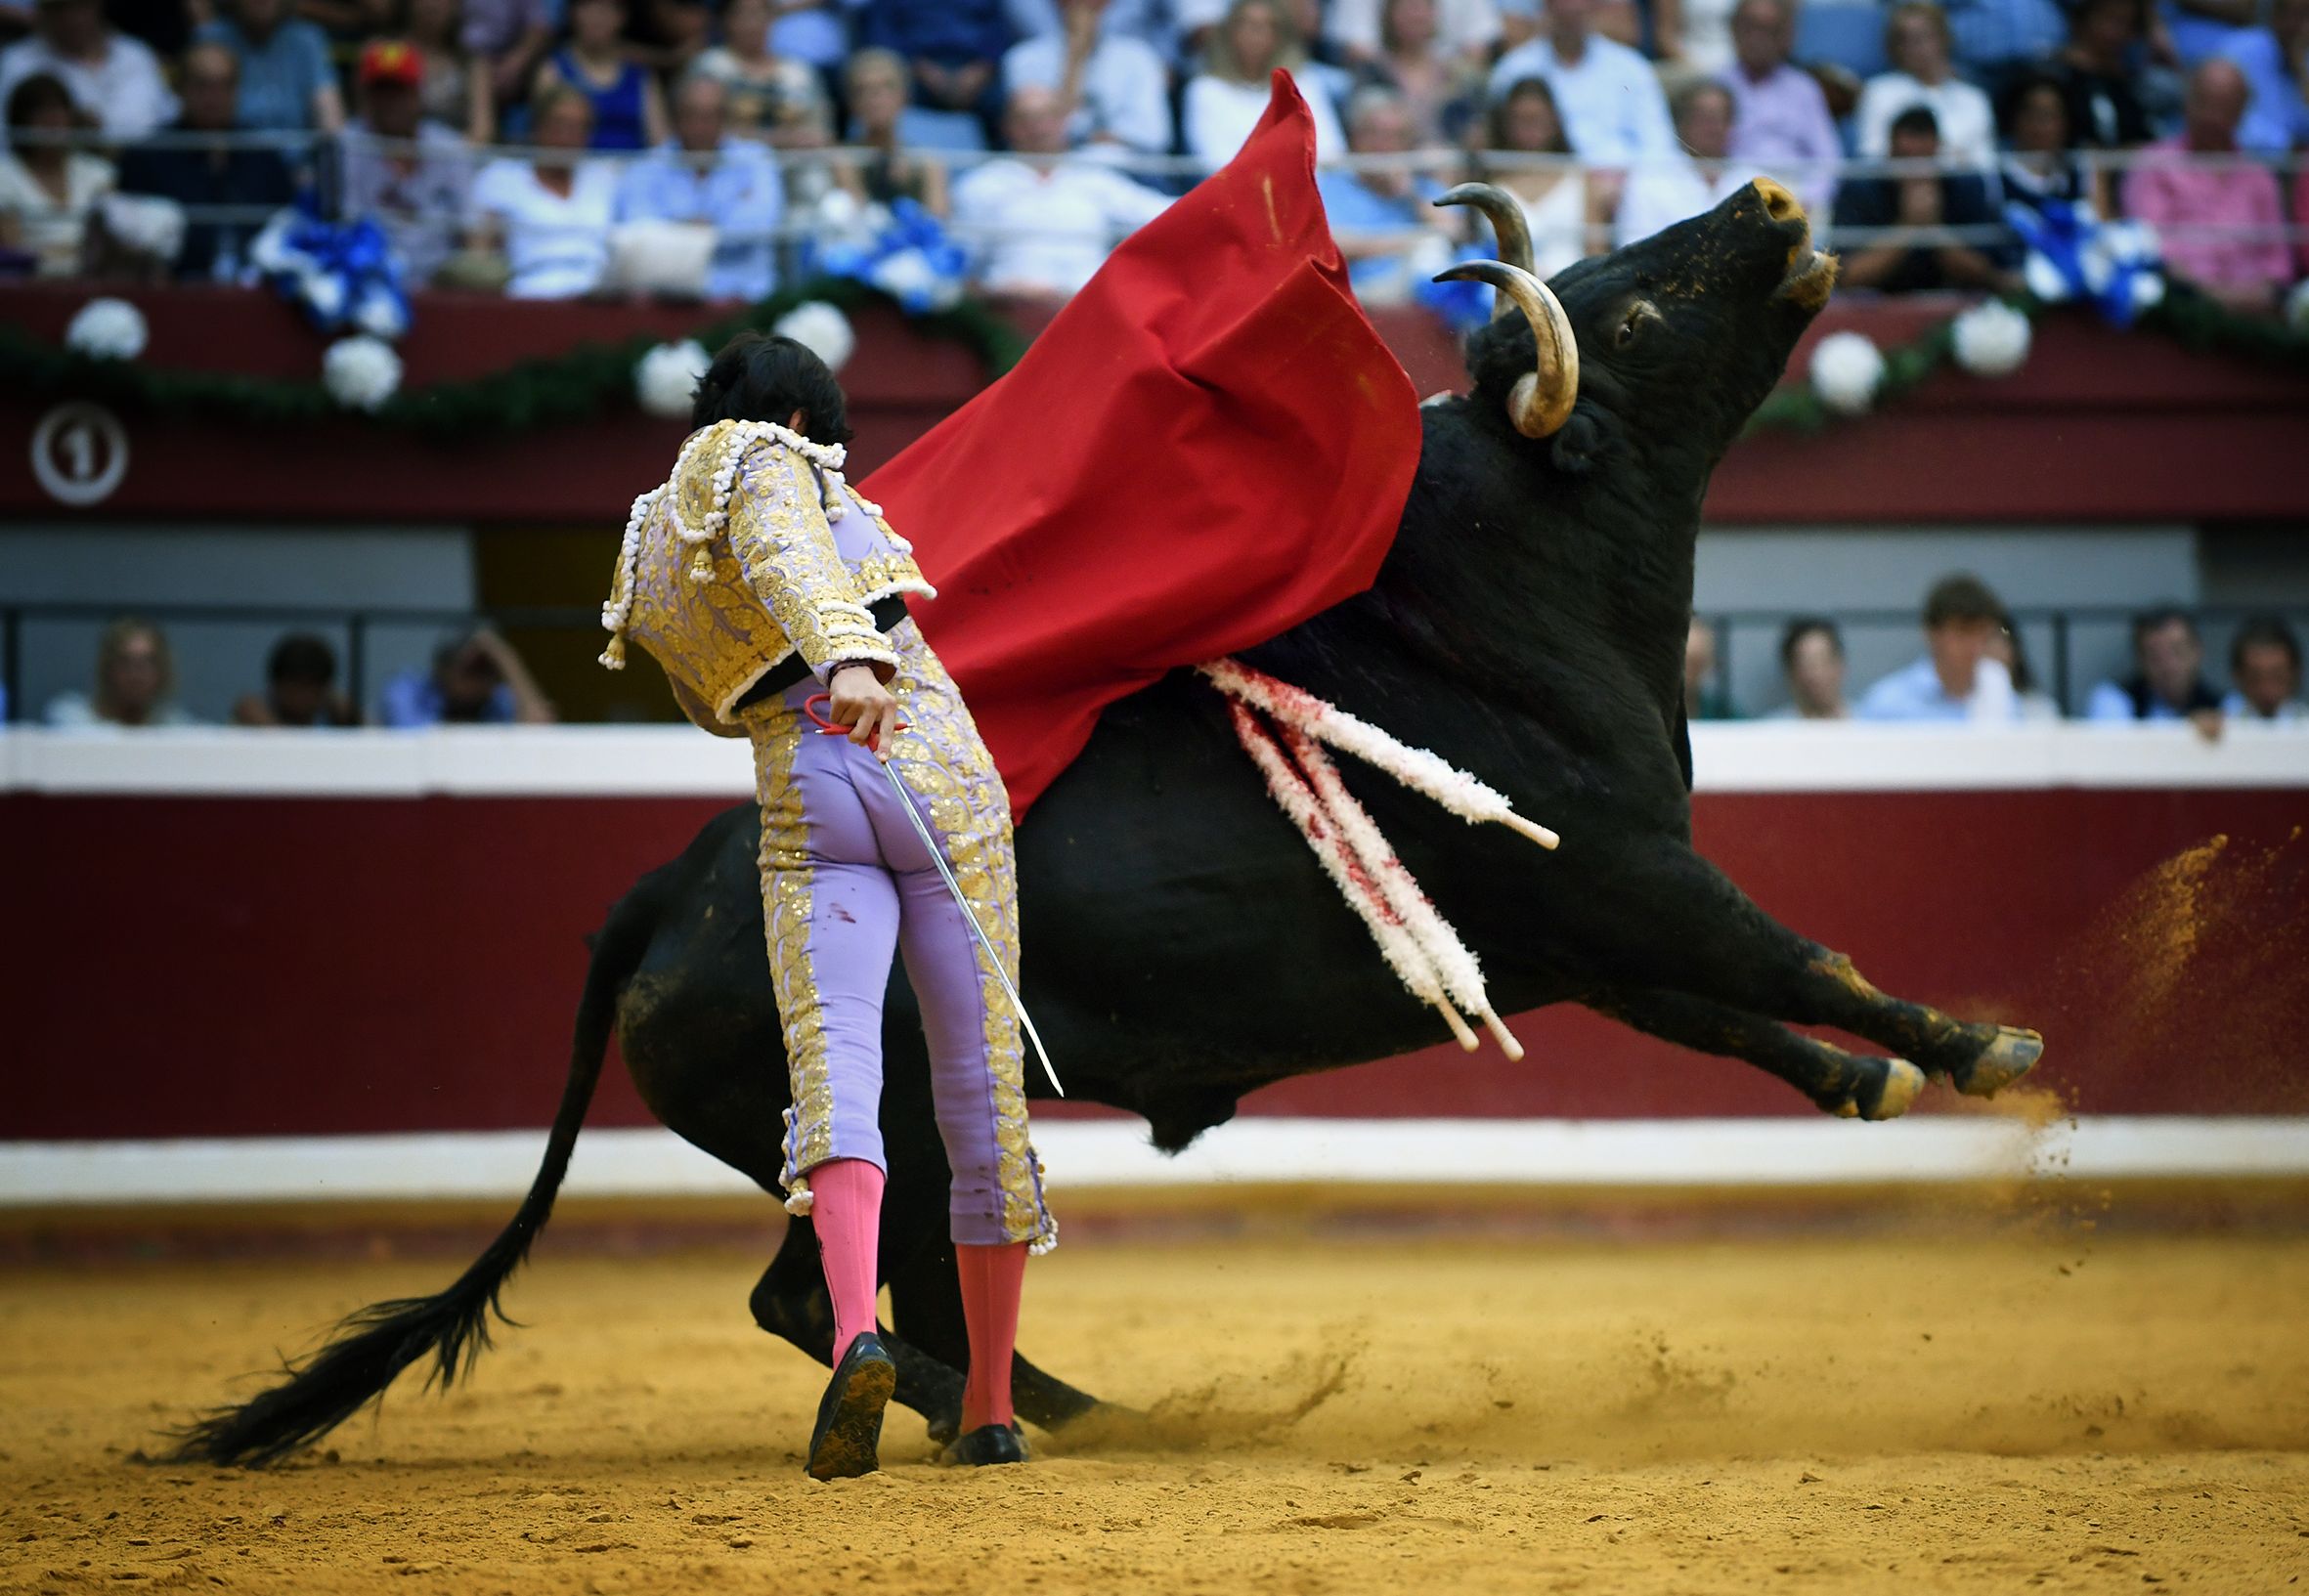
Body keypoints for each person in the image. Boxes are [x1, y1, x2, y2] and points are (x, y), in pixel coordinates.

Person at [595, 331, 1056, 1477]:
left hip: (797, 788)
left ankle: (858, 1329)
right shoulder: (767, 456)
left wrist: (799, 684)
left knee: (836, 1067)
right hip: (919, 755)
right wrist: (851, 653)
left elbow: (706, 703)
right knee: (975, 1083)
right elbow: (791, 545)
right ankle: (990, 1405)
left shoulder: (650, 533)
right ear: (804, 419)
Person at [950, 81, 1169, 297]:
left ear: (1065, 121)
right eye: (1026, 118)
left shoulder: (1095, 178)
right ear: (1007, 126)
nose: (1039, 128)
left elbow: (1161, 214)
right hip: (1011, 309)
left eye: (1049, 116)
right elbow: (959, 261)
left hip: (1086, 307)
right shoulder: (981, 185)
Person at [115, 43, 293, 281]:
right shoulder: (146, 156)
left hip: (256, 290)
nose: (214, 97)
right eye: (203, 85)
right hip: (173, 291)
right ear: (180, 88)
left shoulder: (263, 156)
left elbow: (286, 228)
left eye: (225, 85)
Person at [2123, 58, 2290, 312]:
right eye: (2205, 103)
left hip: (2253, 317)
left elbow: (2278, 265)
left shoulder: (2260, 178)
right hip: (2176, 312)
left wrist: (2245, 298)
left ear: (2241, 113)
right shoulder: (2153, 165)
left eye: (2224, 107)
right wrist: (2205, 295)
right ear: (2187, 103)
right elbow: (2148, 247)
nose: (2212, 117)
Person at [617, 74, 783, 301]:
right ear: (675, 119)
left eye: (711, 116)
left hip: (745, 298)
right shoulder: (646, 167)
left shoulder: (756, 161)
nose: (701, 126)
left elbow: (758, 225)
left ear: (725, 119)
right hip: (668, 300)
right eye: (691, 115)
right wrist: (715, 228)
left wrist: (678, 229)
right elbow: (639, 230)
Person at [1833, 105, 2019, 293]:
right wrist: (1907, 227)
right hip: (1879, 302)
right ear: (1890, 153)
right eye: (1905, 158)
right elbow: (1849, 277)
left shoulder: (1966, 185)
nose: (1915, 169)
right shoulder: (1862, 187)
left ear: (1938, 152)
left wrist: (1933, 230)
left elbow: (1985, 273)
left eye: (1924, 159)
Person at [335, 38, 473, 287]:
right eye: (381, 91)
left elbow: (471, 229)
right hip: (366, 281)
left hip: (440, 282)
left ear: (419, 94)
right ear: (365, 96)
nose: (390, 102)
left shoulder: (450, 149)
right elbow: (343, 229)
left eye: (399, 90)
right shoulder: (345, 147)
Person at [1484, 0, 1677, 171]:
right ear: (1546, 5)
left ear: (1595, 6)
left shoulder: (1631, 67)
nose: (1573, 9)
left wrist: (1621, 179)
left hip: (1624, 185)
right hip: (1542, 178)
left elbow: (1658, 143)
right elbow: (1498, 145)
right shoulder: (1513, 68)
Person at [466, 83, 619, 296]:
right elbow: (478, 255)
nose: (567, 137)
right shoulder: (501, 177)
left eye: (578, 128)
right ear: (536, 127)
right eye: (559, 125)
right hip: (530, 292)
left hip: (599, 296)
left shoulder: (605, 179)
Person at [1317, 84, 1452, 303]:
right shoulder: (1332, 184)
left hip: (1415, 295)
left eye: (1396, 136)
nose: (1384, 146)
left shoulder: (1422, 188)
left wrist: (1410, 194)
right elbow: (1326, 246)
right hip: (1352, 292)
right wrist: (1406, 243)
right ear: (1354, 138)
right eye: (1374, 134)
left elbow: (1455, 233)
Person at [1184, 0, 1347, 172]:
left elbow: (1330, 151)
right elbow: (1214, 160)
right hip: (1234, 193)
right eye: (1248, 25)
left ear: (1281, 35)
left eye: (1266, 26)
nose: (1256, 34)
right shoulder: (1205, 89)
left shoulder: (1302, 83)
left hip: (1302, 190)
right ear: (1229, 32)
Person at [1000, 0, 1173, 157]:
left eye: (1092, 4)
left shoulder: (1139, 55)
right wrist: (1074, 61)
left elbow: (1155, 135)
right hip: (1054, 169)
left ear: (1107, 5)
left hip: (1127, 169)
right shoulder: (1024, 58)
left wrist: (1111, 139)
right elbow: (1033, 132)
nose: (1082, 8)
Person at [1721, 0, 1841, 215]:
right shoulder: (1717, 85)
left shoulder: (1804, 88)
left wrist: (1810, 199)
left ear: (1785, 36)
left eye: (1768, 30)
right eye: (1750, 27)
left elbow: (1827, 158)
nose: (1757, 38)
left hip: (1794, 192)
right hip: (1732, 193)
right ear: (1734, 30)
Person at [1474, 75, 1599, 277]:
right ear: (1507, 123)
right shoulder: (1489, 181)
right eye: (1521, 120)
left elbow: (1596, 250)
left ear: (1554, 121)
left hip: (1571, 291)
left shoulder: (1580, 179)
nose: (1530, 128)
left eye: (1538, 119)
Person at [1856, 573, 2025, 722]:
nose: (1974, 644)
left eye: (1982, 633)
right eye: (1963, 632)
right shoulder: (1887, 704)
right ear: (1932, 633)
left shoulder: (2001, 694)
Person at [1614, 80, 1763, 246]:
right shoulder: (1649, 180)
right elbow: (1635, 248)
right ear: (1681, 124)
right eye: (1704, 118)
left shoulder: (1756, 181)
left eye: (1722, 118)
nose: (1714, 127)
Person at [0, 0, 175, 141]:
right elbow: (7, 139)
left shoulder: (137, 54)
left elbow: (169, 120)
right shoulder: (18, 62)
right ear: (42, 12)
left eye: (80, 5)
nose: (71, 18)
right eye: (60, 8)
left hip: (145, 175)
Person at [1855, 1, 1997, 168]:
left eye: (1924, 37)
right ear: (1893, 46)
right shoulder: (1878, 91)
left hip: (1962, 189)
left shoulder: (1973, 98)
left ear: (1944, 38)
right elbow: (1871, 156)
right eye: (1904, 39)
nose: (1915, 47)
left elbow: (1986, 164)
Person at [0, 68, 109, 275]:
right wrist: (71, 255)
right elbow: (13, 250)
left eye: (58, 110)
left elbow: (108, 246)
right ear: (21, 121)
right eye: (39, 112)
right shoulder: (3, 176)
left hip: (92, 280)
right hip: (29, 284)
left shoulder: (98, 174)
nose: (51, 121)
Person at [861, 0, 1013, 139]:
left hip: (975, 67)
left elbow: (999, 31)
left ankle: (1002, 163)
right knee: (885, 92)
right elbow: (884, 34)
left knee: (1004, 102)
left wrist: (981, 69)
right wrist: (920, 68)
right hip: (914, 69)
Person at [684, 0, 828, 145]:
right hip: (729, 163)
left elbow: (820, 132)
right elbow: (698, 129)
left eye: (759, 14)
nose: (752, 23)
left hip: (798, 163)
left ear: (772, 18)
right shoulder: (710, 67)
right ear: (726, 20)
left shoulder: (800, 71)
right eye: (742, 14)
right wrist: (780, 140)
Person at [532, 0, 667, 151]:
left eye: (605, 10)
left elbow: (660, 143)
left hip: (633, 171)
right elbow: (543, 137)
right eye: (588, 8)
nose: (596, 18)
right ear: (573, 13)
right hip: (574, 170)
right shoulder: (552, 70)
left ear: (621, 17)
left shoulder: (642, 76)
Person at [1348, 0, 1487, 144]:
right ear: (1390, 14)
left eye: (1422, 8)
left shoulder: (1456, 72)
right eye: (1408, 8)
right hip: (1392, 159)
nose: (1416, 16)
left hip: (1449, 160)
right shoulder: (1373, 71)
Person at [195, 0, 343, 133]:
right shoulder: (211, 37)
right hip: (230, 158)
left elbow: (331, 122)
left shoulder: (308, 40)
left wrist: (331, 146)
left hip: (295, 160)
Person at [833, 47, 951, 215]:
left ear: (905, 96)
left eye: (887, 87)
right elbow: (856, 223)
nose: (876, 99)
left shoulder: (929, 164)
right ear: (852, 103)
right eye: (863, 90)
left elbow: (939, 224)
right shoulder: (844, 161)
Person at [2084, 604, 2224, 729]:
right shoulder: (2114, 700)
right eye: (2155, 656)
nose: (2168, 664)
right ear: (2139, 658)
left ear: (2197, 651)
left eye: (2177, 651)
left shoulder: (2226, 705)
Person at [379, 625, 555, 724]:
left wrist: (506, 659)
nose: (483, 679)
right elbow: (411, 736)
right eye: (473, 670)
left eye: (490, 670)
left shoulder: (498, 699)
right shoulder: (408, 691)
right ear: (443, 668)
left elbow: (538, 726)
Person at [44, 618, 200, 727]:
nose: (136, 674)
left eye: (147, 662)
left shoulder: (174, 727)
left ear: (162, 670)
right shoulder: (72, 719)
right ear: (107, 667)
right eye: (126, 661)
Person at [1999, 69, 2107, 222]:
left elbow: (2103, 225)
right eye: (2034, 115)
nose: (2043, 126)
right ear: (2013, 118)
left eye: (2052, 116)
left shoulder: (2082, 167)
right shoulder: (1993, 175)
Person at [2054, 0, 2154, 150]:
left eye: (2125, 23)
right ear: (2085, 17)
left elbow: (2142, 137)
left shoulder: (2128, 83)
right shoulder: (2056, 75)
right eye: (2108, 18)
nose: (2114, 32)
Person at [398, 0, 493, 142]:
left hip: (454, 155)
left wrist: (450, 158)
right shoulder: (390, 54)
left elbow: (482, 131)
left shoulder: (472, 63)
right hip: (396, 153)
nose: (432, 4)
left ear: (456, 6)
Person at [2226, 0, 2309, 154]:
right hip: (2247, 162)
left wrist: (2301, 74)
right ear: (2276, 16)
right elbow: (2235, 126)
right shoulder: (2242, 50)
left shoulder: (2304, 57)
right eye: (2297, 15)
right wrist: (2287, 146)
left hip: (2297, 165)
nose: (2304, 27)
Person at [233, 632, 360, 726]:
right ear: (276, 685)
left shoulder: (335, 717)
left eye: (311, 688)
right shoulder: (252, 716)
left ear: (325, 689)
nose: (303, 697)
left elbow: (373, 738)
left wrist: (352, 717)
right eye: (297, 687)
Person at [2223, 615, 2308, 721]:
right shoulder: (2222, 725)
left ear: (2295, 673)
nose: (2266, 689)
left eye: (2278, 678)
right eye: (2255, 679)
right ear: (2238, 676)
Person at [1769, 616, 1849, 719]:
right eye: (1807, 664)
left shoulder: (1867, 723)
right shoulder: (1772, 730)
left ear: (1840, 664)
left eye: (1823, 661)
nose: (1817, 673)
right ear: (1791, 671)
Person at [1682, 617, 1738, 719]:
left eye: (1696, 663)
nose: (1688, 672)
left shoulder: (1721, 712)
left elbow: (1746, 730)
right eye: (1684, 662)